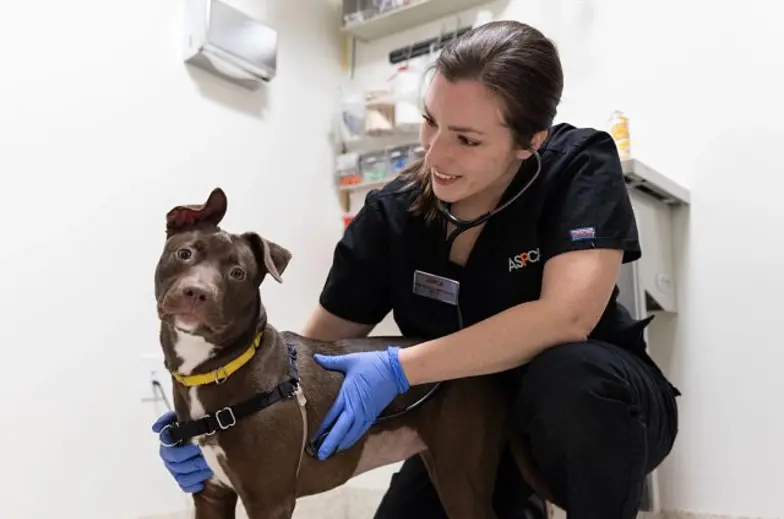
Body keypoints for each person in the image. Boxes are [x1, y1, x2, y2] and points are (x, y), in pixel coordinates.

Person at [152, 20, 680, 519]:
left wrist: (400, 369)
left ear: (530, 142)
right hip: (455, 412)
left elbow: (566, 318)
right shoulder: (392, 214)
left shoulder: (578, 166)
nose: (436, 154)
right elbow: (306, 359)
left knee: (570, 381)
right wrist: (230, 413)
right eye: (431, 122)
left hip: (586, 411)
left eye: (467, 139)